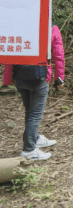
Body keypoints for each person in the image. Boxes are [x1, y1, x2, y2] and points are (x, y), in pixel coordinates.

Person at [3, 25, 65, 161]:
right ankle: (29, 150)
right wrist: (59, 77)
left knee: (30, 111)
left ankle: (35, 138)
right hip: (39, 77)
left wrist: (8, 76)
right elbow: (58, 54)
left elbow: (11, 49)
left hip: (19, 75)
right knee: (35, 115)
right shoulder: (51, 28)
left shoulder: (20, 26)